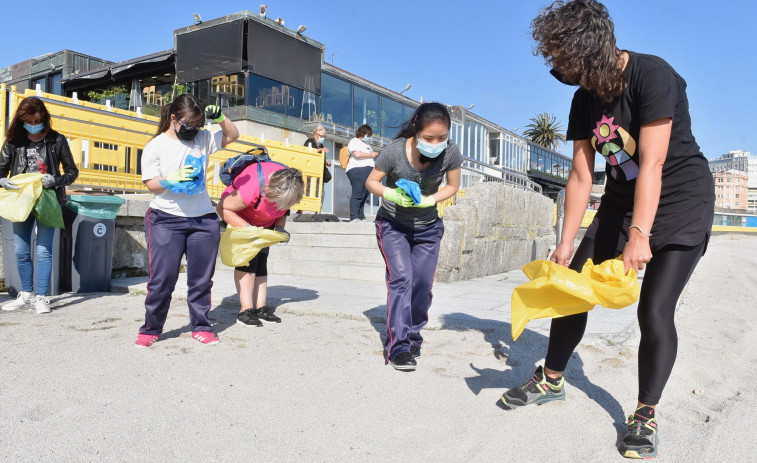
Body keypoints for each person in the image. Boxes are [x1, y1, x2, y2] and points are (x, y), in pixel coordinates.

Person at [497, 1, 715, 459]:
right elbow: (580, 175)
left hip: (680, 200)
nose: (556, 68)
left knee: (654, 311)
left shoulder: (652, 76)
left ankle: (645, 413)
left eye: (562, 58)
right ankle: (551, 380)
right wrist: (566, 240)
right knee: (571, 289)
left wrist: (640, 234)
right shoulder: (584, 99)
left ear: (587, 49)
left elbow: (652, 163)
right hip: (619, 201)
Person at [135, 95, 239, 348]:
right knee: (162, 279)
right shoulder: (156, 145)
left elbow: (233, 135)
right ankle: (151, 328)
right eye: (188, 124)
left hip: (203, 219)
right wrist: (173, 179)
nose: (193, 129)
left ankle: (201, 326)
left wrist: (221, 119)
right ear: (173, 118)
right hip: (165, 218)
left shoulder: (202, 138)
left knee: (201, 280)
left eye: (198, 125)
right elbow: (151, 183)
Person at [365, 103, 462, 371]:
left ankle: (413, 334)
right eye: (429, 138)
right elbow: (371, 181)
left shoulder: (451, 152)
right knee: (401, 280)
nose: (436, 143)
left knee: (421, 285)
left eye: (441, 137)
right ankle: (399, 346)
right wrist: (390, 193)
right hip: (393, 225)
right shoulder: (395, 150)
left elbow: (453, 186)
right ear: (417, 131)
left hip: (428, 227)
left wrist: (430, 199)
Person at [0, 97, 79, 314]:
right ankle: (26, 293)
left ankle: (41, 296)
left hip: (48, 200)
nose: (34, 125)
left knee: (44, 250)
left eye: (38, 120)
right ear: (21, 120)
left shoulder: (57, 140)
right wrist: (2, 181)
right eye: (29, 121)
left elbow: (72, 172)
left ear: (44, 118)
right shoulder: (13, 141)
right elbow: (1, 169)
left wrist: (56, 180)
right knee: (20, 250)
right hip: (21, 200)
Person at [216, 163, 304, 327]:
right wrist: (249, 230)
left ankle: (261, 306)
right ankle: (246, 310)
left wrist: (280, 228)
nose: (281, 206)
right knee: (247, 262)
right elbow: (223, 208)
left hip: (264, 222)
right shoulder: (252, 188)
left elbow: (283, 210)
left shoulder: (290, 183)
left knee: (261, 262)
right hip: (243, 219)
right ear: (270, 190)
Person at [346, 124, 378, 222]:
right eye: (367, 135)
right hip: (357, 169)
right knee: (358, 192)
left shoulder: (367, 145)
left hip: (368, 171)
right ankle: (354, 216)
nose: (368, 137)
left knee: (364, 194)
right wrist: (371, 155)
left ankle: (361, 216)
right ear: (362, 133)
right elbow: (357, 154)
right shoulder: (354, 141)